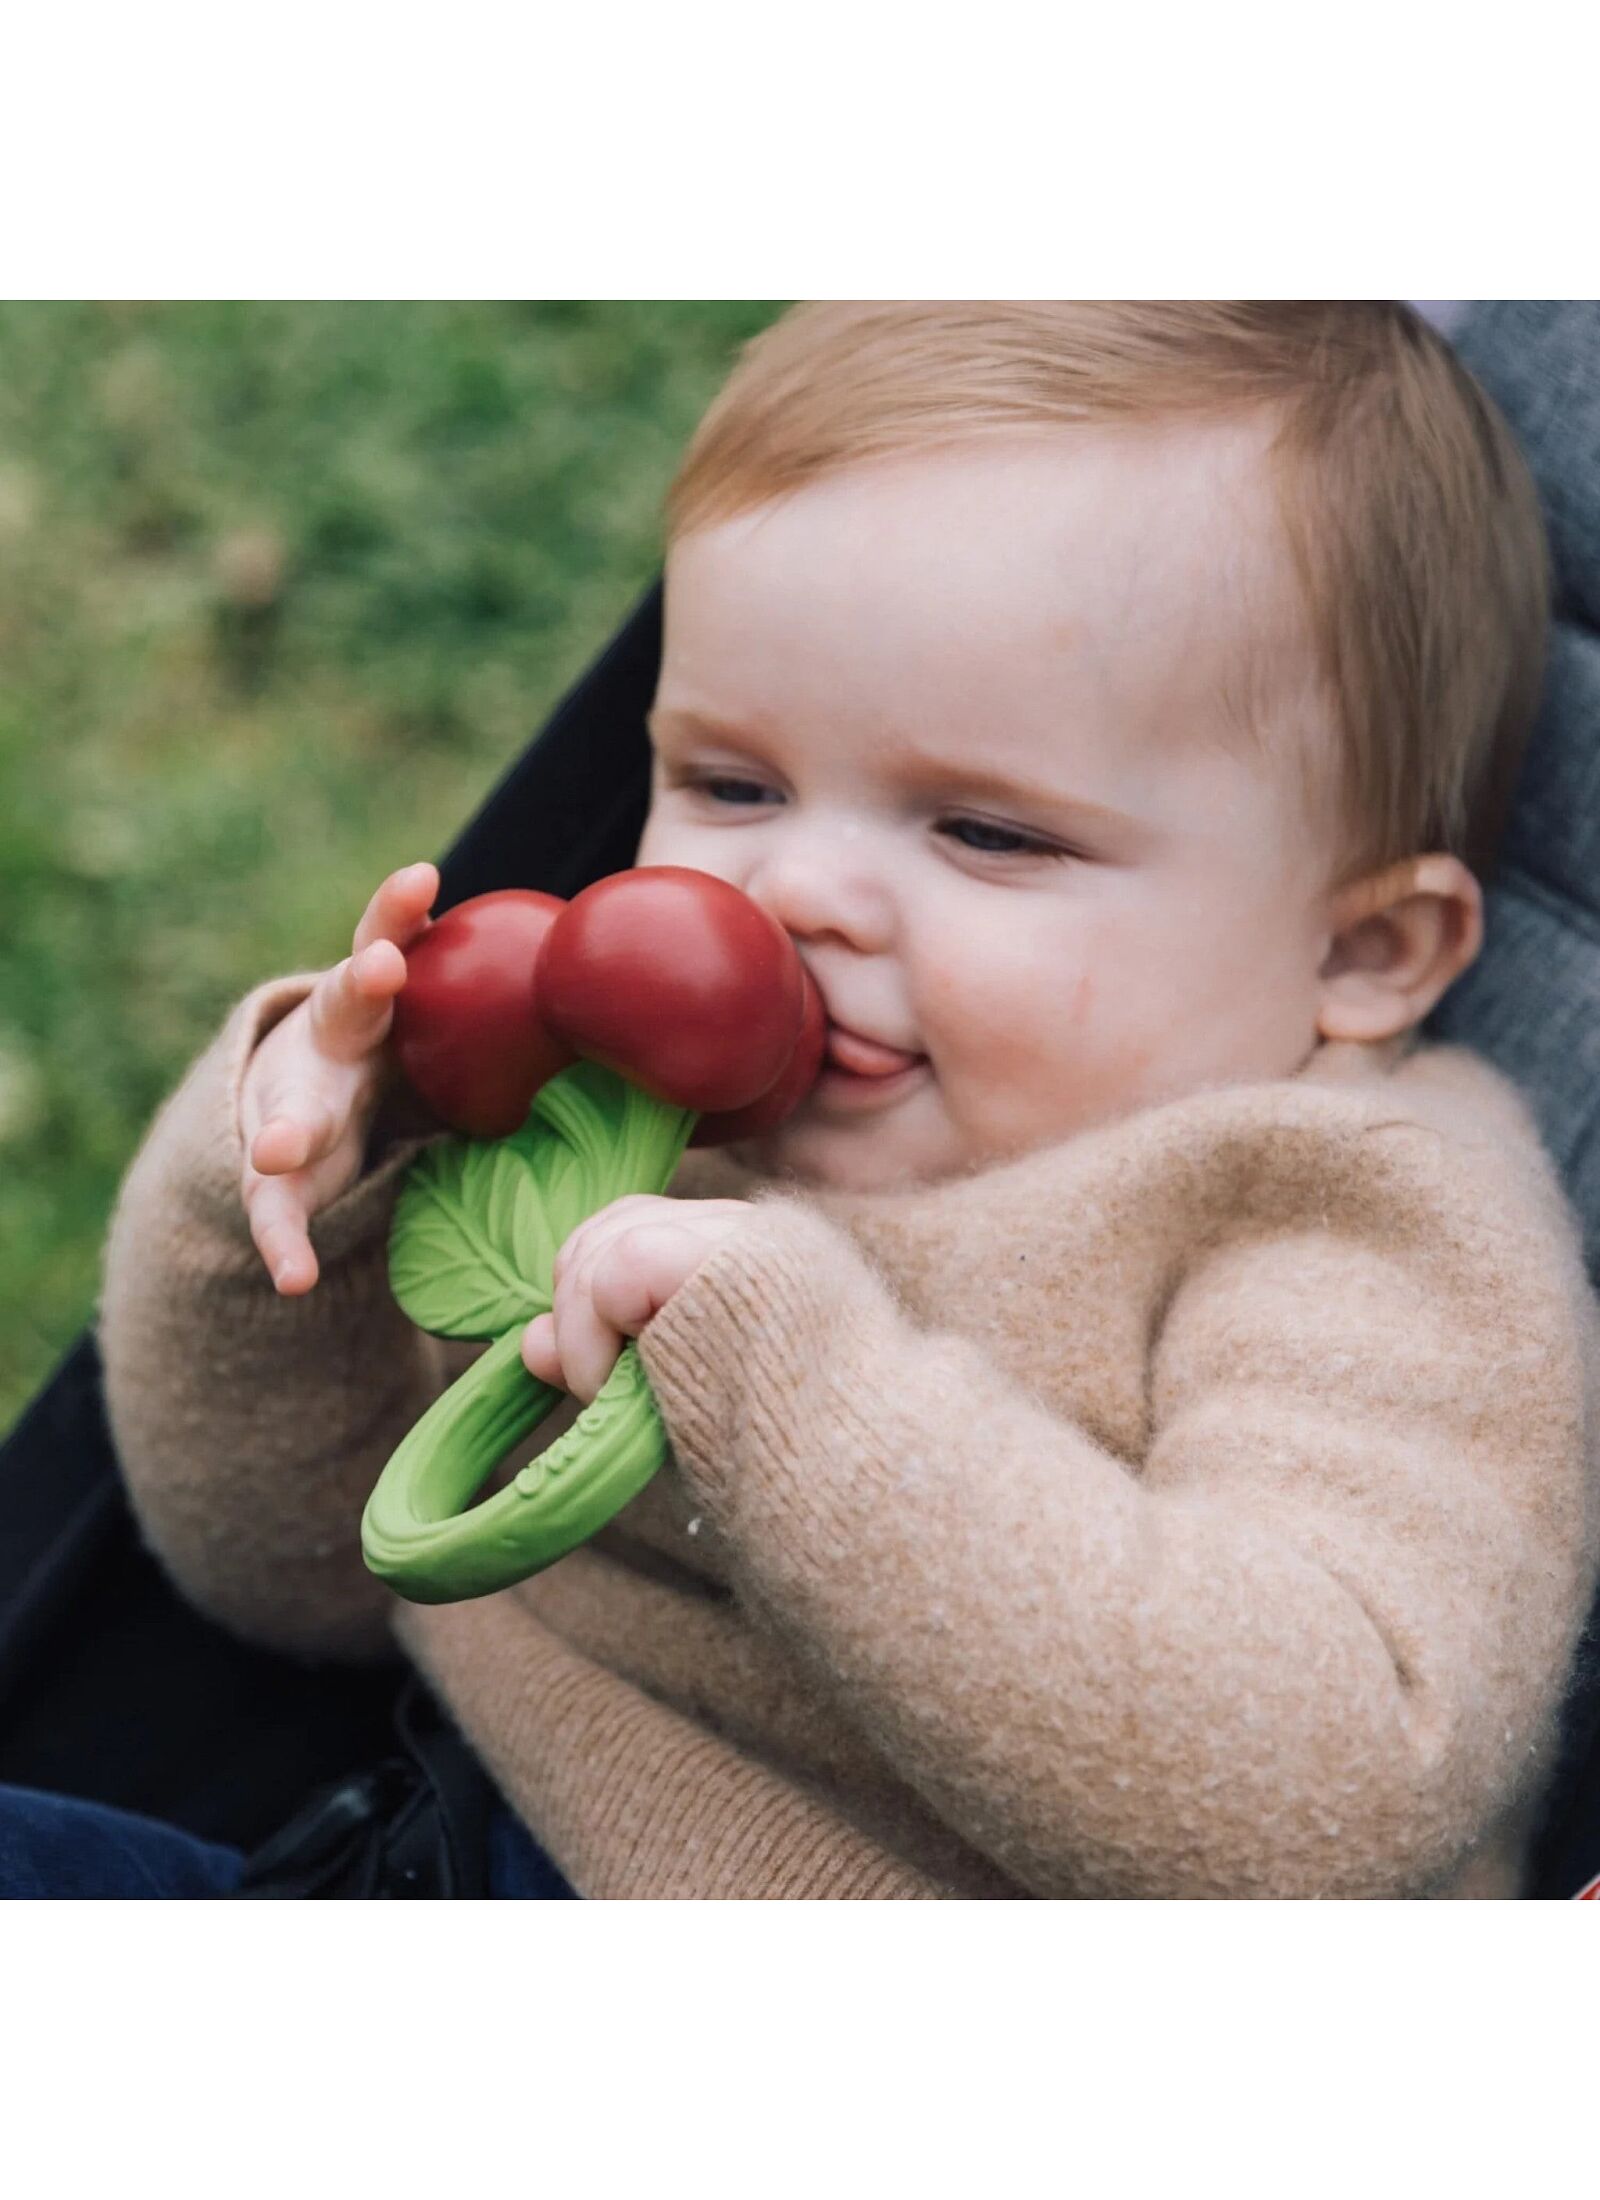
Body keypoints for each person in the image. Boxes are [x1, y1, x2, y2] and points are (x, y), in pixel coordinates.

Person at [27, 301, 1600, 1899]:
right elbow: (291, 1568)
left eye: (989, 833)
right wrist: (286, 1189)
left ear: (1363, 953)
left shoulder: (1340, 1230)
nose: (788, 890)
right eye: (731, 785)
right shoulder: (649, 1119)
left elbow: (1327, 1797)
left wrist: (786, 1386)